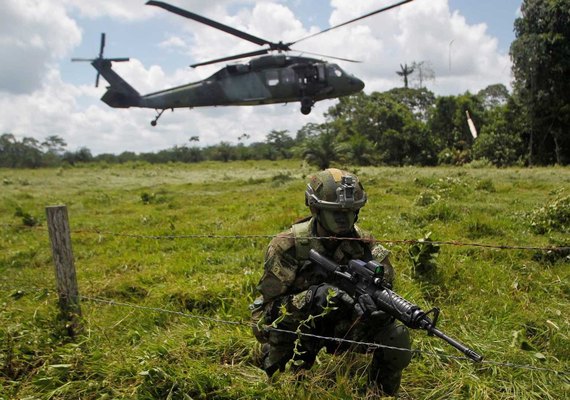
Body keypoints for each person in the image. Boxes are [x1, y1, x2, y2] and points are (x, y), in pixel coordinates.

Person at [251, 168, 412, 395]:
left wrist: (377, 309)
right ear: (315, 209)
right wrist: (311, 298)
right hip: (299, 329)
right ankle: (274, 359)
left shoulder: (366, 247)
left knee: (395, 335)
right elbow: (262, 319)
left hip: (343, 325)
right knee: (285, 388)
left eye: (350, 211)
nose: (344, 219)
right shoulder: (289, 247)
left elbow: (385, 288)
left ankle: (381, 393)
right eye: (335, 212)